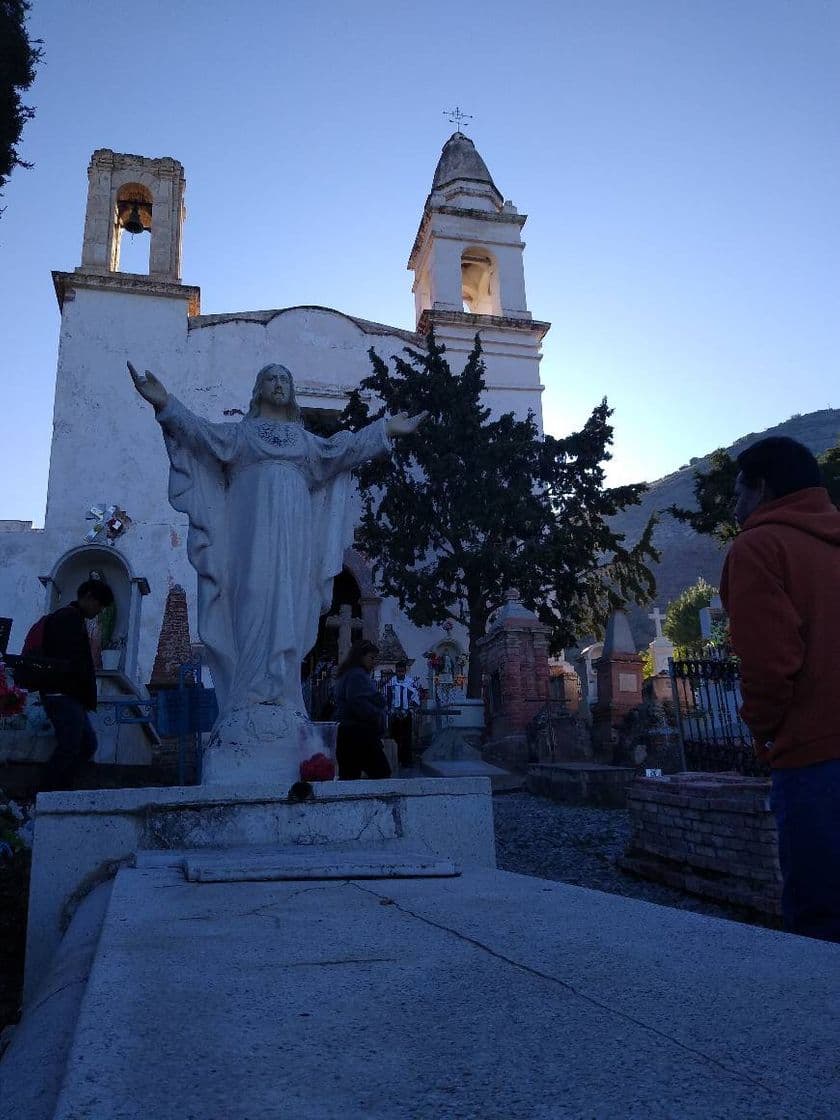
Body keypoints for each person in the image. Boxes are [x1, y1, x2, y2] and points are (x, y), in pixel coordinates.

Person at [127, 361, 426, 720]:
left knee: (291, 601)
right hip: (249, 535)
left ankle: (282, 695)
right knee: (251, 596)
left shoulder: (304, 441)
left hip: (294, 535)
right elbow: (200, 434)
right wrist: (166, 404)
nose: (279, 383)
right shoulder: (241, 435)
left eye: (285, 378)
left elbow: (342, 451)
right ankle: (246, 695)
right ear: (259, 388)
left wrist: (385, 430)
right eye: (271, 378)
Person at [720, 435, 840, 942]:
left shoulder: (759, 547)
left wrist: (765, 732)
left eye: (739, 491)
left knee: (822, 922)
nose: (733, 504)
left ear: (762, 487)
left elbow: (771, 663)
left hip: (815, 757)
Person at [37, 579, 114, 792]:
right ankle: (44, 794)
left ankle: (61, 789)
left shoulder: (74, 619)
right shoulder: (67, 619)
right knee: (71, 745)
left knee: (85, 744)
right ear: (89, 597)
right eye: (99, 605)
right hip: (62, 694)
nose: (99, 611)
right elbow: (70, 659)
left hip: (70, 696)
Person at [333, 640, 390, 780]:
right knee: (381, 772)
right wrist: (376, 716)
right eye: (371, 658)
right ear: (360, 656)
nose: (374, 662)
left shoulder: (348, 674)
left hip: (347, 732)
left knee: (349, 775)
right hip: (359, 732)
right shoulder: (357, 675)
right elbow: (358, 702)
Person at [386, 660, 420, 769]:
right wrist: (391, 710)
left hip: (406, 714)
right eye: (398, 671)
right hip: (394, 714)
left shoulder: (410, 682)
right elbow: (388, 697)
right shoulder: (391, 682)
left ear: (405, 671)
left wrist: (409, 709)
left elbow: (415, 696)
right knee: (395, 736)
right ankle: (395, 759)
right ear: (396, 671)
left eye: (402, 671)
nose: (400, 673)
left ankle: (406, 761)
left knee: (406, 737)